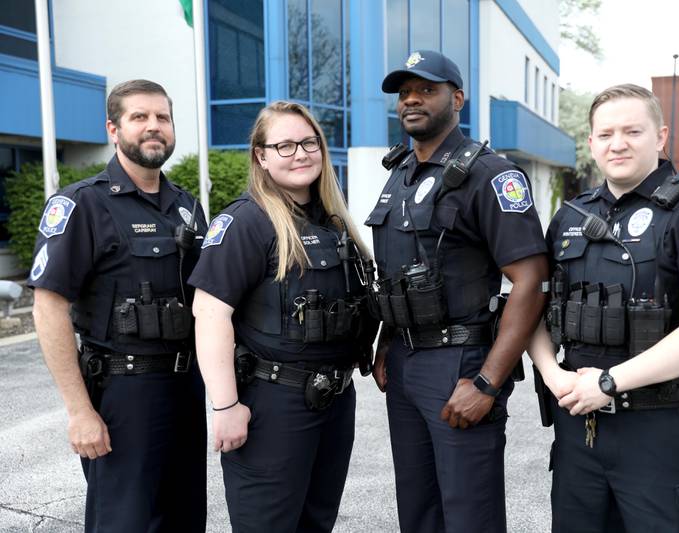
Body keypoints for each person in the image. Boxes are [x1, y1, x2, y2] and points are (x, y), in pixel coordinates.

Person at [529, 84, 679, 532]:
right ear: (592, 143)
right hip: (579, 433)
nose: (618, 143)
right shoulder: (570, 218)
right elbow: (533, 310)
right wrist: (551, 374)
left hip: (661, 433)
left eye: (633, 130)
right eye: (606, 133)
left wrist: (610, 383)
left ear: (660, 137)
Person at [366, 50, 549, 532]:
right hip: (405, 362)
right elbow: (402, 268)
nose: (411, 100)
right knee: (418, 509)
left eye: (427, 89)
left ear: (457, 98)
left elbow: (531, 280)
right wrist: (388, 339)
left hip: (461, 363)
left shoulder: (491, 175)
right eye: (404, 92)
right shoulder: (400, 174)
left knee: (470, 514)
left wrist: (488, 382)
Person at [189, 101, 377, 533]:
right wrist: (226, 405)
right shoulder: (245, 222)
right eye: (285, 145)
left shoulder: (334, 222)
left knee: (316, 521)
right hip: (272, 405)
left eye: (309, 142)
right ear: (261, 156)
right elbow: (210, 313)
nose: (300, 154)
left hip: (334, 400)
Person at [29, 79, 208, 532]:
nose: (154, 127)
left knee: (185, 517)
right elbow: (48, 308)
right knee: (124, 521)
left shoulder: (186, 207)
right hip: (123, 394)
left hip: (186, 389)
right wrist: (79, 411)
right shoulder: (82, 204)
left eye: (162, 118)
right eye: (139, 117)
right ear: (113, 129)